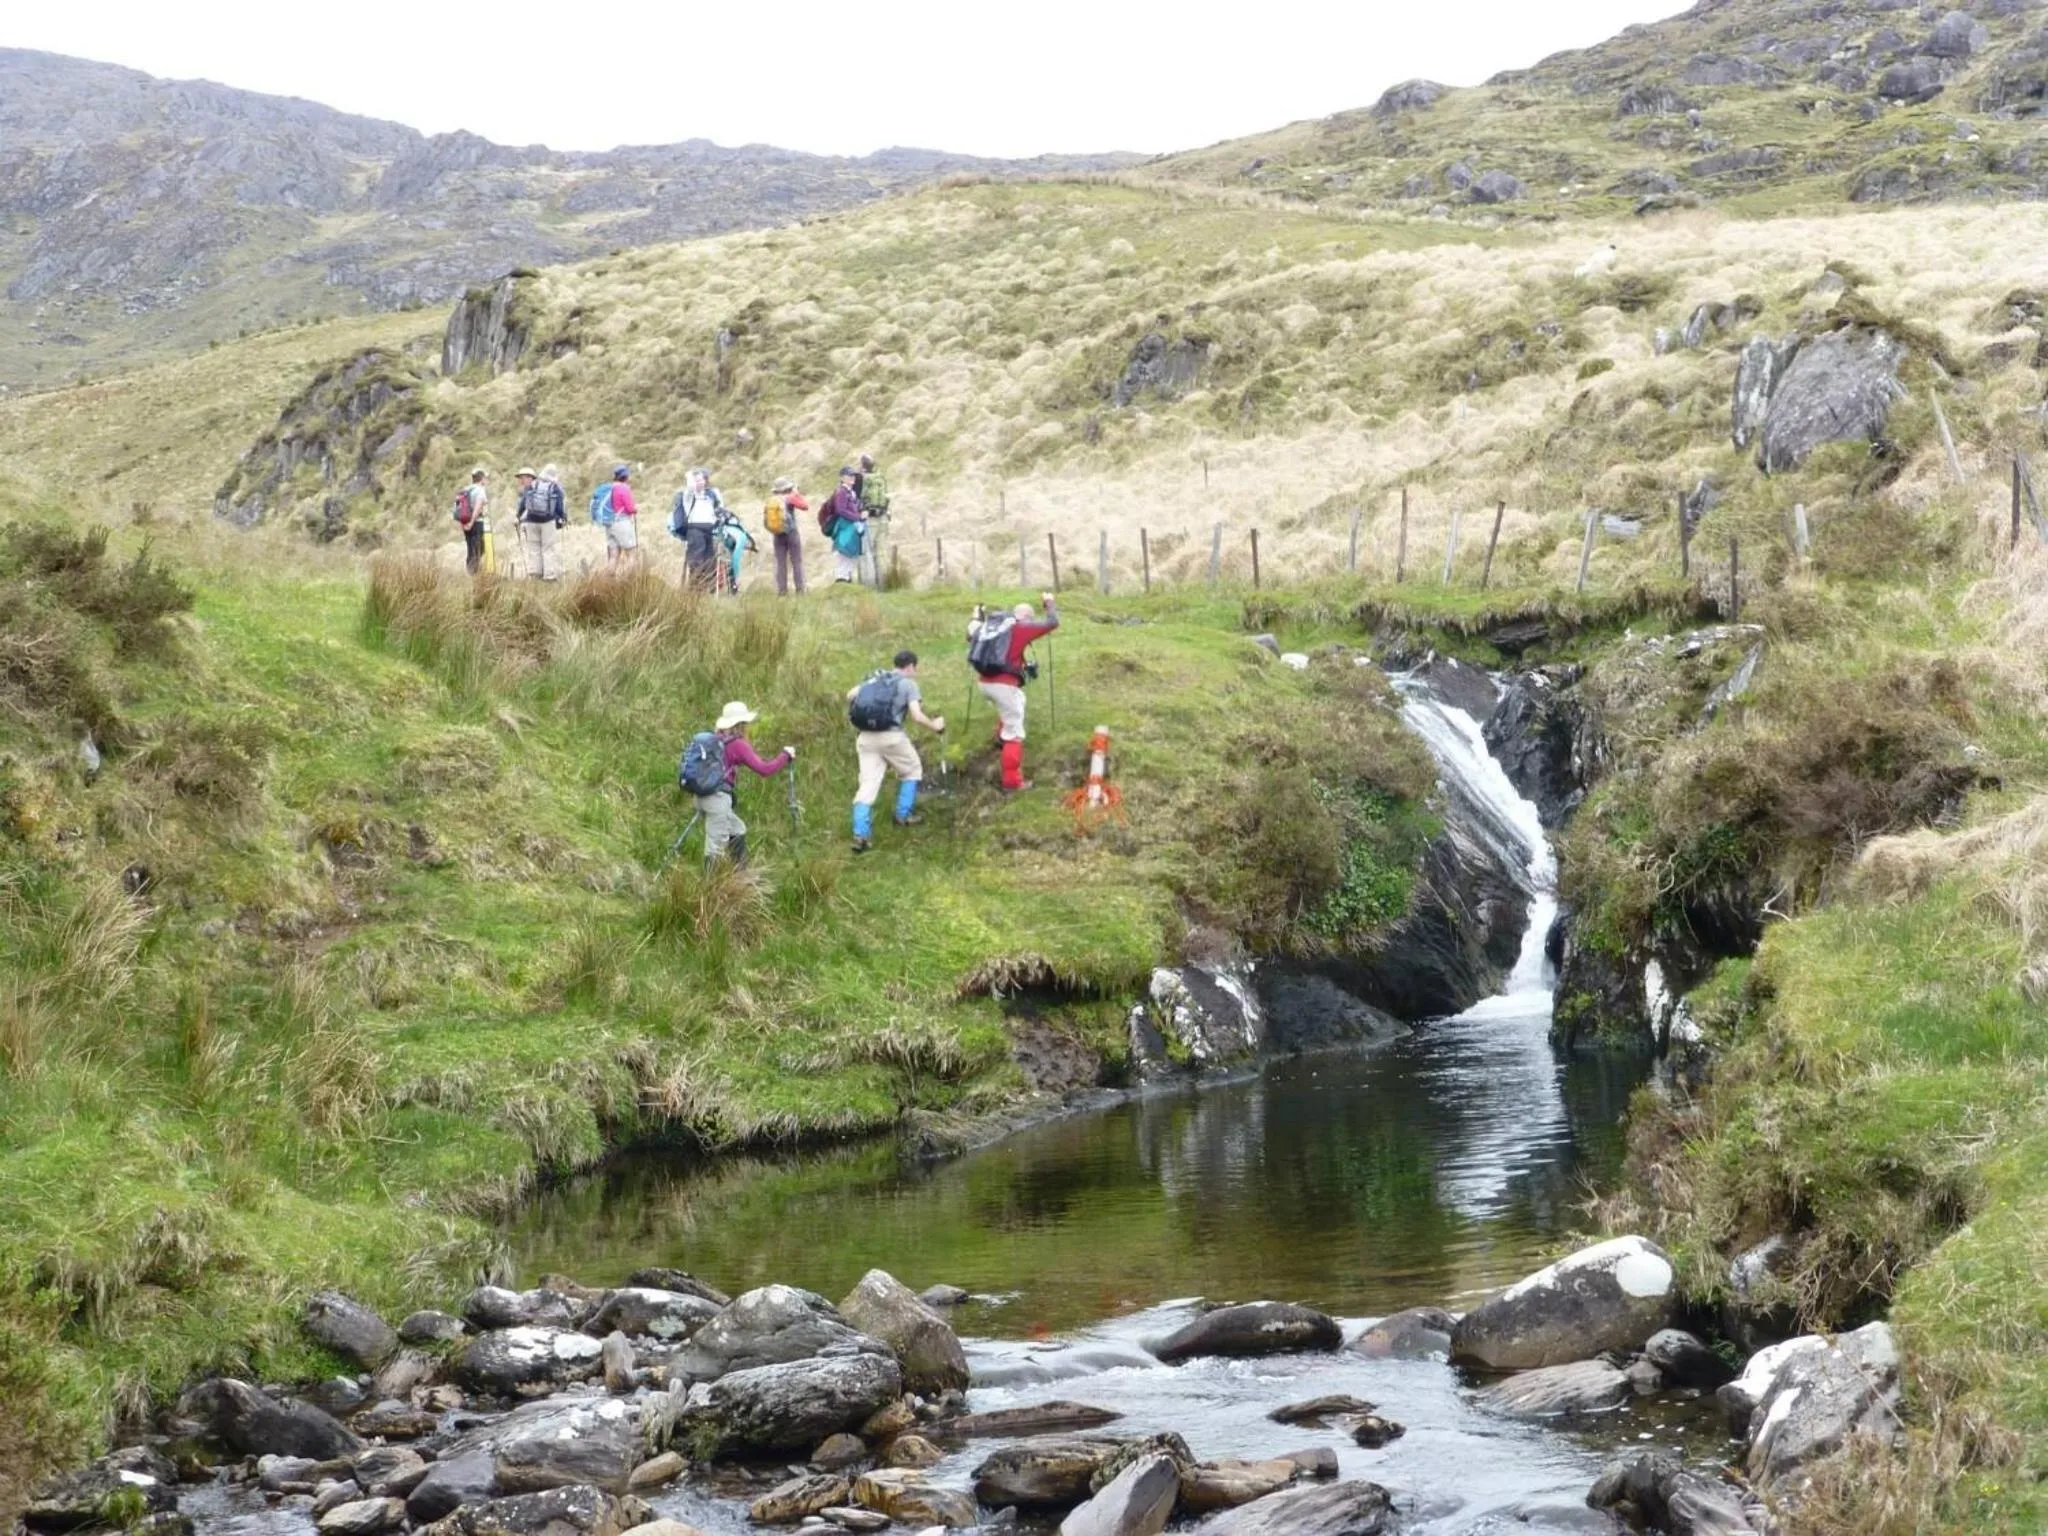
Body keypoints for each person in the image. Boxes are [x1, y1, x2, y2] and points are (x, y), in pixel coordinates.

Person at [847, 650, 946, 853]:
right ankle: (903, 815)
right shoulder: (908, 684)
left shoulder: (875, 678)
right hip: (891, 737)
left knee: (867, 785)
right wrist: (935, 725)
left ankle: (861, 834)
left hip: (865, 738)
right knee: (912, 770)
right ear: (910, 666)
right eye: (915, 668)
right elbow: (917, 716)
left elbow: (849, 695)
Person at [969, 593, 1059, 792]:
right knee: (1015, 733)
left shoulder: (989, 626)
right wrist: (1049, 602)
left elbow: (970, 632)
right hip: (1003, 685)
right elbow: (1053, 622)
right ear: (1026, 616)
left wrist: (976, 614)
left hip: (984, 682)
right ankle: (1012, 782)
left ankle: (999, 738)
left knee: (1019, 700)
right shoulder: (1021, 627)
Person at [689, 702, 794, 867]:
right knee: (715, 850)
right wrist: (785, 756)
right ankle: (711, 889)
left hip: (700, 797)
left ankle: (741, 877)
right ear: (741, 724)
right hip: (717, 800)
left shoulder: (714, 739)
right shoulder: (737, 744)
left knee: (737, 829)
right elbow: (764, 769)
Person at [670, 468, 725, 589]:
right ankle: (695, 590)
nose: (701, 483)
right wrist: (692, 477)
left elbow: (719, 508)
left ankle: (709, 589)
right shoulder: (688, 496)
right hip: (695, 531)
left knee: (710, 561)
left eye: (702, 480)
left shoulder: (709, 496)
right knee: (696, 561)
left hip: (709, 531)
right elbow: (690, 487)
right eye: (697, 481)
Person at [516, 465, 566, 580]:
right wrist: (561, 519)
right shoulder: (554, 487)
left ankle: (535, 574)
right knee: (548, 548)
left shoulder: (533, 485)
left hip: (531, 521)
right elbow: (559, 506)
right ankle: (549, 576)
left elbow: (523, 502)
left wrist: (518, 516)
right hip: (548, 521)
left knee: (533, 548)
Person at [764, 477, 809, 595]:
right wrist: (797, 494)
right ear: (787, 488)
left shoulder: (771, 501)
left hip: (777, 534)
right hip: (792, 533)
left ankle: (782, 591)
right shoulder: (790, 498)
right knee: (796, 562)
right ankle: (800, 590)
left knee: (780, 563)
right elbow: (805, 506)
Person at [822, 467, 866, 584]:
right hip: (845, 526)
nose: (852, 478)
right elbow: (841, 510)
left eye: (853, 476)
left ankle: (846, 580)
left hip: (851, 527)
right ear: (842, 478)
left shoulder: (850, 492)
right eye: (849, 476)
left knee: (851, 555)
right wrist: (857, 517)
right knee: (845, 553)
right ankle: (842, 580)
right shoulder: (841, 492)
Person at [853, 452, 890, 585]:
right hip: (884, 517)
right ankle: (884, 583)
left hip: (868, 519)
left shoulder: (859, 479)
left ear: (862, 466)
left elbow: (855, 498)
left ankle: (868, 586)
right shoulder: (880, 478)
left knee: (865, 553)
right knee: (881, 553)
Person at [713, 503, 757, 596]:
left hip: (722, 539)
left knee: (724, 562)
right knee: (731, 563)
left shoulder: (716, 516)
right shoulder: (738, 531)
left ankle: (728, 588)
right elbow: (736, 558)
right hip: (732, 539)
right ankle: (733, 588)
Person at [603, 464, 639, 568]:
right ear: (625, 476)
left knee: (613, 556)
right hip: (622, 523)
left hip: (609, 524)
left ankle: (608, 582)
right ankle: (627, 582)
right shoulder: (624, 488)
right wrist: (636, 509)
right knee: (631, 554)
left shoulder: (609, 488)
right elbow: (631, 509)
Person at [455, 466, 488, 574]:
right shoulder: (480, 491)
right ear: (482, 478)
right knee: (479, 548)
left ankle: (470, 571)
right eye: (485, 478)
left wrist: (464, 524)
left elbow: (459, 509)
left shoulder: (465, 490)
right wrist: (472, 522)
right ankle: (474, 573)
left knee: (470, 548)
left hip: (465, 523)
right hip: (476, 523)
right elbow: (478, 508)